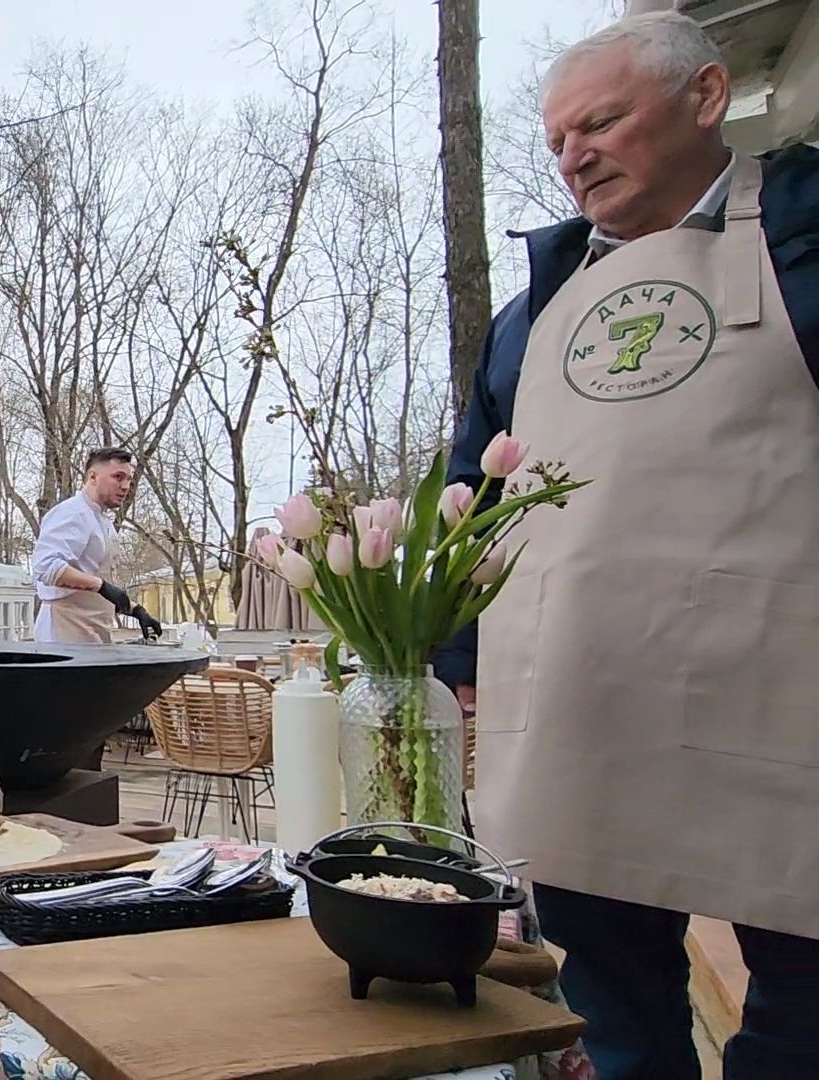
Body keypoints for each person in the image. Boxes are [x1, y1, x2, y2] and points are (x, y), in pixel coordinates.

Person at [435, 12, 819, 1079]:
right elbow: (472, 496)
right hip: (582, 703)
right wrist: (460, 657)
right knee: (612, 1010)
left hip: (778, 697)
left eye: (600, 123)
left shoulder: (805, 238)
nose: (575, 157)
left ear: (706, 98)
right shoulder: (531, 315)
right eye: (559, 140)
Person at [30, 447, 160, 642]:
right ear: (93, 477)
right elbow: (46, 566)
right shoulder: (73, 513)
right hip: (63, 633)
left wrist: (135, 610)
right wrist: (102, 587)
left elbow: (95, 582)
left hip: (93, 634)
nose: (126, 486)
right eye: (118, 477)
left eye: (129, 479)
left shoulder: (103, 522)